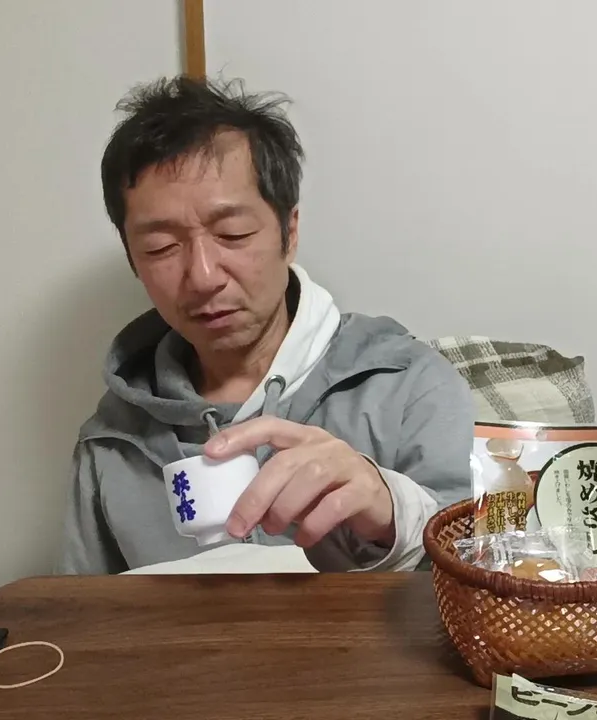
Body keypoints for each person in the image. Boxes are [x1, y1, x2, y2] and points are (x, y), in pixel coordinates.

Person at [57, 76, 474, 574]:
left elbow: (492, 582)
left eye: (233, 234)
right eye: (160, 248)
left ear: (288, 232)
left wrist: (395, 515)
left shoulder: (406, 386)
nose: (203, 277)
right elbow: (82, 614)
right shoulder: (111, 442)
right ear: (133, 260)